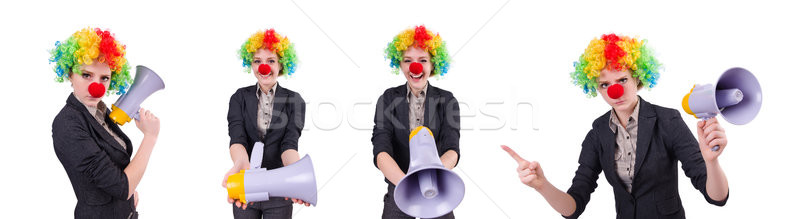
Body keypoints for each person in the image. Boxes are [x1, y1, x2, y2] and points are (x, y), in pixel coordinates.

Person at [502, 33, 729, 218]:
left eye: (622, 80)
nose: (615, 91)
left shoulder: (668, 121)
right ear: (596, 88)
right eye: (604, 84)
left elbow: (717, 197)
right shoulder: (597, 134)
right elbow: (573, 206)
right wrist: (542, 186)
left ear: (637, 79)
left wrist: (711, 162)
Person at [51, 27, 161, 219]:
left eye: (105, 78)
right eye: (86, 75)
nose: (97, 87)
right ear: (70, 74)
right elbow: (121, 187)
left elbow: (113, 171)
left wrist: (129, 197)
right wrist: (150, 137)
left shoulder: (99, 110)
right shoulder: (67, 124)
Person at [372, 25, 461, 219]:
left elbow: (452, 147)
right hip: (399, 187)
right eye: (408, 61)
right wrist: (407, 184)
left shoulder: (447, 100)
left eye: (423, 60)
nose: (416, 67)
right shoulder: (387, 99)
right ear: (401, 65)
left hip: (438, 188)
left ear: (433, 65)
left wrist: (433, 173)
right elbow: (381, 148)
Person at [221, 28, 309, 219]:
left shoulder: (295, 100)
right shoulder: (239, 98)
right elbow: (237, 138)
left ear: (281, 65)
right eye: (257, 61)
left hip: (279, 190)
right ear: (250, 64)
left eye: (271, 61)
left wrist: (297, 177)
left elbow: (290, 143)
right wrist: (240, 164)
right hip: (245, 184)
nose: (264, 67)